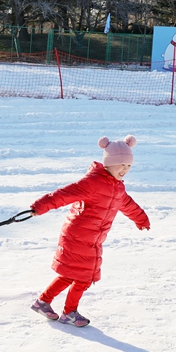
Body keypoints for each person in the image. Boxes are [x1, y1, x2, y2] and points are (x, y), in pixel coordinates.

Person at [30, 136, 150, 327]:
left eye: (128, 166)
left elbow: (127, 204)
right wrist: (39, 207)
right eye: (121, 165)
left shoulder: (117, 188)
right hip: (78, 236)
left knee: (72, 274)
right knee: (84, 277)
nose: (125, 170)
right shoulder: (93, 182)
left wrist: (141, 219)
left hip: (91, 238)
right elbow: (64, 194)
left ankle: (43, 302)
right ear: (108, 164)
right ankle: (69, 313)